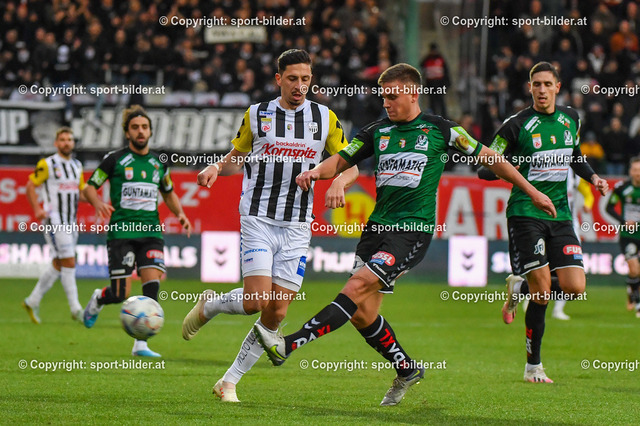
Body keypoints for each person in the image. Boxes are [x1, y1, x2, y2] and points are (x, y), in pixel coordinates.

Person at [254, 63, 556, 406]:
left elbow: (492, 158)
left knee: (355, 288)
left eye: (393, 96)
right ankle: (407, 369)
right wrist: (316, 173)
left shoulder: (442, 130)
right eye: (384, 97)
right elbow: (340, 160)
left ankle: (287, 345)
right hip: (376, 229)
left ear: (413, 94)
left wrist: (532, 191)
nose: (386, 103)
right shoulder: (377, 131)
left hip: (412, 231)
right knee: (361, 313)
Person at [181, 49, 358, 402]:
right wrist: (217, 167)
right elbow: (238, 156)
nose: (299, 86)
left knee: (276, 312)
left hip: (297, 225)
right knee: (256, 301)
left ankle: (228, 381)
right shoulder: (257, 113)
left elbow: (349, 163)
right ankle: (211, 306)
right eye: (292, 79)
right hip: (258, 216)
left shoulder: (324, 118)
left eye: (305, 79)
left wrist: (339, 182)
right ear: (279, 79)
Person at [489, 62, 608, 383]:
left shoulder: (571, 118)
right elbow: (485, 167)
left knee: (575, 287)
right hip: (526, 213)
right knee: (542, 293)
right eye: (536, 84)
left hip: (560, 214)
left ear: (557, 87)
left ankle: (520, 287)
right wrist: (512, 164)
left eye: (547, 84)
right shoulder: (516, 125)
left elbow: (575, 155)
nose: (541, 90)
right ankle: (533, 367)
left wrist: (593, 177)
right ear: (529, 88)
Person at [82, 105, 192, 357]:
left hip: (151, 232)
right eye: (135, 127)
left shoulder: (158, 163)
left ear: (150, 131)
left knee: (151, 285)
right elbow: (89, 187)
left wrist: (180, 214)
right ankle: (99, 298)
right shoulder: (114, 160)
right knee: (120, 293)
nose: (140, 131)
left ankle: (141, 344)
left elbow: (168, 192)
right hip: (122, 232)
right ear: (127, 132)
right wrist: (97, 203)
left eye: (144, 127)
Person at [22, 127, 85, 324]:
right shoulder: (47, 164)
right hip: (54, 220)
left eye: (69, 139)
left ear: (73, 143)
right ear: (56, 143)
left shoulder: (77, 165)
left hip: (71, 220)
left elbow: (79, 192)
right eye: (63, 140)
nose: (67, 143)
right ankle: (76, 309)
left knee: (59, 263)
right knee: (69, 261)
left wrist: (97, 202)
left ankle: (32, 301)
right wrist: (37, 209)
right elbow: (30, 186)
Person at [606, 156, 640, 317]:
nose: (638, 173)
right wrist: (624, 222)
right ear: (630, 171)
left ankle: (631, 289)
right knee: (633, 268)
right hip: (628, 235)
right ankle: (638, 303)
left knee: (637, 271)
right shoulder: (622, 188)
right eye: (635, 170)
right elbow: (609, 208)